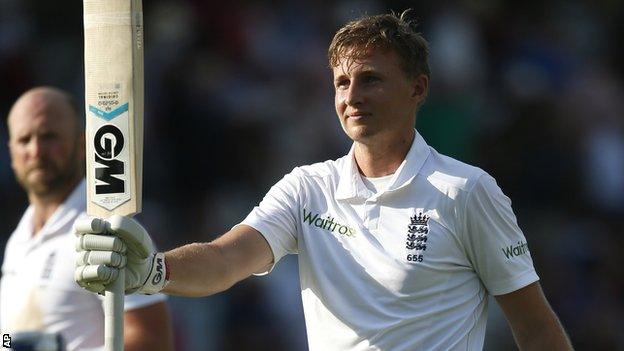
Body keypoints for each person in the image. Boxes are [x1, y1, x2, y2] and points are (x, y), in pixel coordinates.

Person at [74, 11, 573, 350]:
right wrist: (153, 272)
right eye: (341, 82)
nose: (352, 95)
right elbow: (226, 259)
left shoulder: (466, 191)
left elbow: (534, 326)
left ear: (417, 88)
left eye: (371, 79)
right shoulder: (306, 188)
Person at [2, 86, 174, 351]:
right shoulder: (19, 240)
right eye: (24, 140)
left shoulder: (108, 230)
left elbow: (153, 341)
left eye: (49, 137)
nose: (36, 151)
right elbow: (11, 337)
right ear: (11, 153)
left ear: (83, 144)